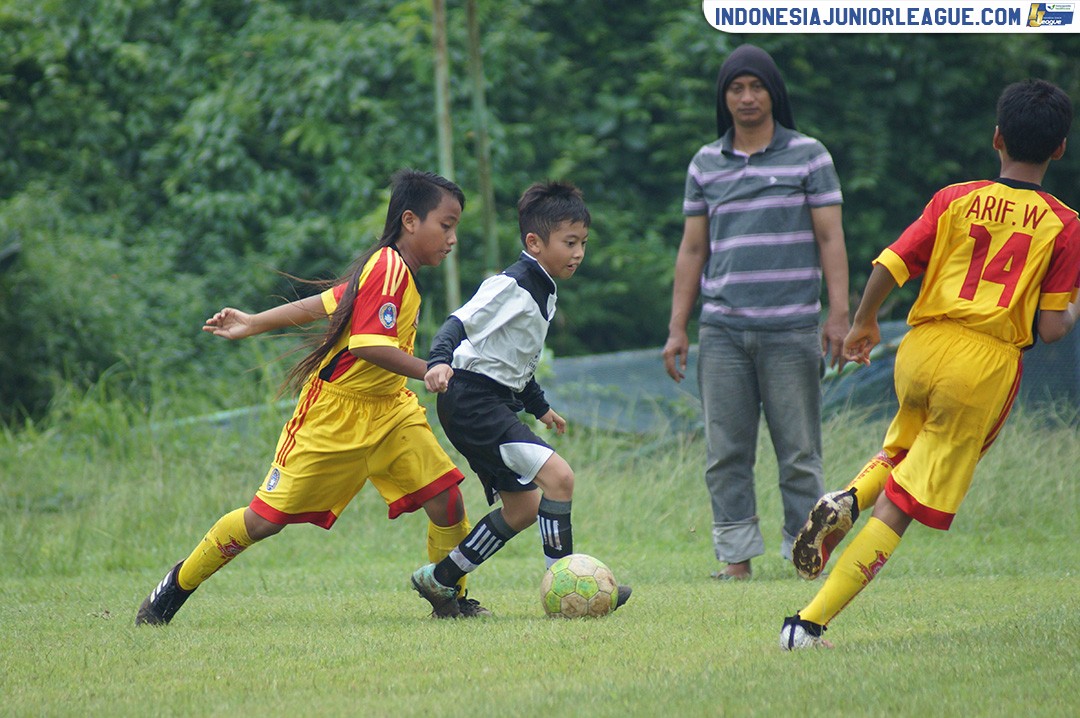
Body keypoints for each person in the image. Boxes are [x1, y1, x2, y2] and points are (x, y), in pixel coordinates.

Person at [781, 79, 1080, 650]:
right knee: (903, 506)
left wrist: (864, 322)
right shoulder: (1064, 224)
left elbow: (892, 263)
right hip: (983, 364)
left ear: (997, 138)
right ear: (1061, 148)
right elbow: (1051, 327)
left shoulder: (954, 198)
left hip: (922, 347)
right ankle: (808, 624)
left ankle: (845, 498)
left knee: (903, 449)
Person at [136, 169, 490, 625]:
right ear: (409, 220)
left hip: (390, 410)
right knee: (263, 520)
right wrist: (429, 369)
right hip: (335, 414)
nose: (452, 237)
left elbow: (330, 302)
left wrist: (254, 321)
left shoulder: (391, 270)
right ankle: (173, 589)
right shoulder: (387, 266)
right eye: (446, 224)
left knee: (447, 500)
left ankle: (451, 601)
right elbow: (366, 345)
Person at [662, 44, 850, 580]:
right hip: (721, 331)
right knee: (725, 454)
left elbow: (831, 237)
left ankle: (805, 554)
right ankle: (735, 561)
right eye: (736, 89)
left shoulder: (809, 155)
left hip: (792, 327)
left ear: (774, 94)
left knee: (799, 453)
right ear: (724, 99)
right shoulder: (705, 163)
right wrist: (678, 328)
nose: (747, 98)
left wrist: (839, 315)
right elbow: (692, 250)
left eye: (756, 87)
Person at [408, 181, 630, 617]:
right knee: (560, 479)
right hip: (472, 399)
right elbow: (458, 324)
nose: (578, 252)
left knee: (525, 507)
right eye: (569, 242)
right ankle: (565, 590)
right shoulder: (511, 284)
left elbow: (515, 359)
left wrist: (540, 406)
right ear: (535, 241)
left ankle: (440, 579)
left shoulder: (543, 287)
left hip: (490, 399)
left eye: (583, 242)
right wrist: (437, 361)